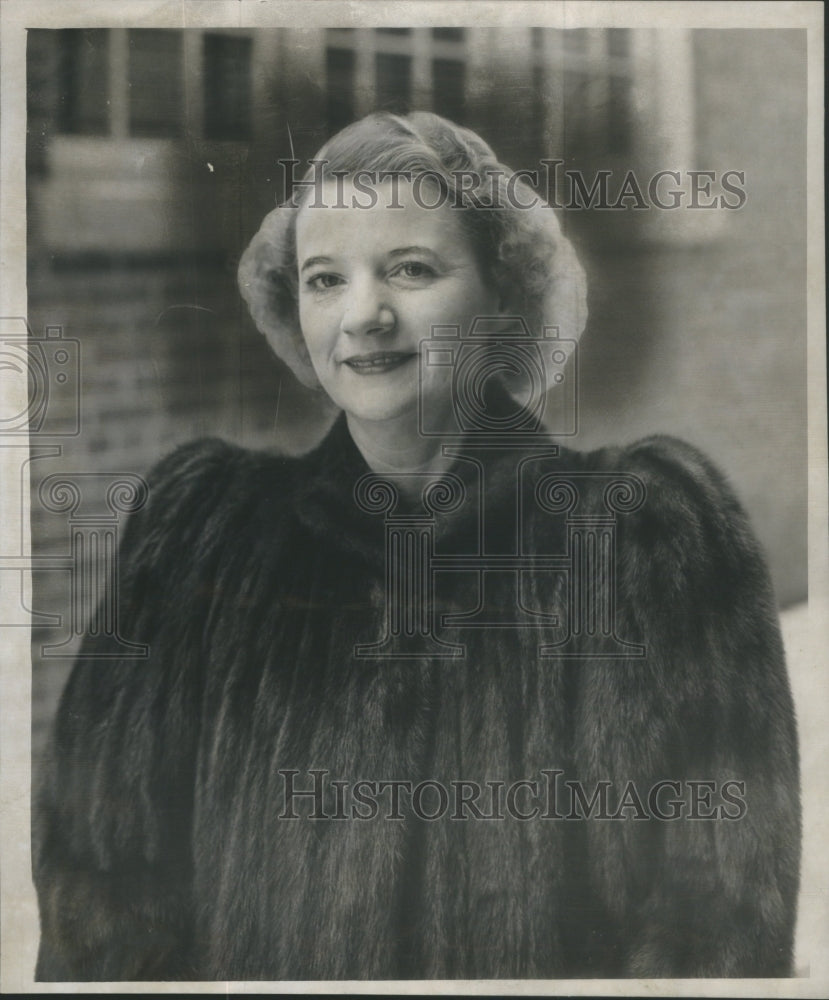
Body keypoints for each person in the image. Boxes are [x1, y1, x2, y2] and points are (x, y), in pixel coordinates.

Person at [33, 111, 801, 981]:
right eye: (325, 279)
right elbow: (103, 889)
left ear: (503, 292)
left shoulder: (642, 539)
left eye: (410, 268)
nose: (363, 314)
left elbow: (717, 918)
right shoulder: (200, 539)